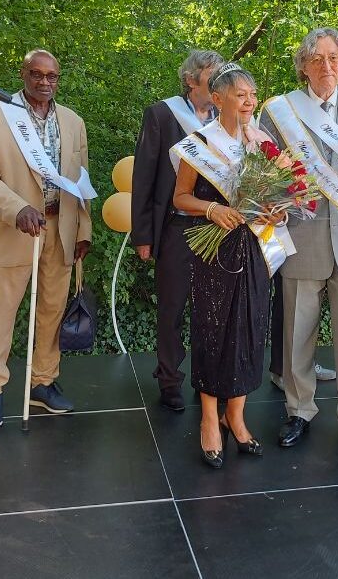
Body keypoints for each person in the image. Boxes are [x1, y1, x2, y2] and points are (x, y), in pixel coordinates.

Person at [260, 27, 338, 455]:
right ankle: (299, 411)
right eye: (317, 58)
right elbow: (264, 177)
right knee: (297, 335)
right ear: (303, 66)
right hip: (301, 238)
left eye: (333, 58)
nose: (326, 66)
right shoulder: (278, 113)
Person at [0, 50, 92, 429]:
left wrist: (83, 231)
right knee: (0, 312)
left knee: (52, 310)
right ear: (23, 73)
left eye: (52, 76)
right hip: (16, 228)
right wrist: (17, 208)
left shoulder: (73, 121)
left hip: (61, 227)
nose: (45, 82)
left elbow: (81, 181)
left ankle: (43, 381)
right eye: (37, 74)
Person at [171, 63, 278, 468]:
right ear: (217, 99)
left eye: (252, 94)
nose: (249, 101)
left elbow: (270, 199)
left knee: (249, 327)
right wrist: (212, 208)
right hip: (212, 250)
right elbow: (181, 198)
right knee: (213, 328)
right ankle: (210, 419)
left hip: (252, 247)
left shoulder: (260, 143)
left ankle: (237, 415)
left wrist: (275, 212)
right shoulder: (198, 144)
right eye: (240, 95)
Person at [132, 49, 223, 412]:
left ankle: (209, 379)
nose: (218, 83)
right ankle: (169, 379)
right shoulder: (162, 114)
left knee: (212, 309)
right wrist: (143, 235)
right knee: (172, 308)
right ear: (191, 79)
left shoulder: (225, 117)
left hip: (219, 228)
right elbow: (144, 176)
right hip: (176, 227)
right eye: (212, 76)